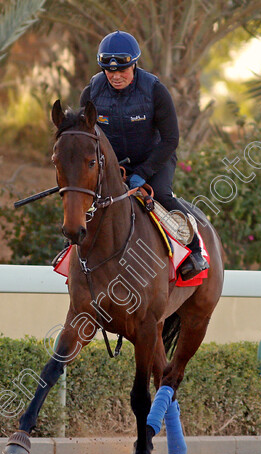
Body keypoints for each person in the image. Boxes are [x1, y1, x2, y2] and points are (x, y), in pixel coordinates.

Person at [79, 30, 209, 279]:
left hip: (154, 160)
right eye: (109, 71)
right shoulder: (92, 93)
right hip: (113, 165)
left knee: (160, 194)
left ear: (134, 65)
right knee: (84, 198)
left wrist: (143, 172)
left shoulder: (155, 90)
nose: (115, 76)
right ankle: (73, 249)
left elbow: (171, 139)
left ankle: (195, 251)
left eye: (122, 71)